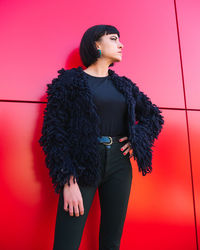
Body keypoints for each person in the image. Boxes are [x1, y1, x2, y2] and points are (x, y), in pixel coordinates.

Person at [39, 24, 165, 250]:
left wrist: (136, 138)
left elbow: (153, 115)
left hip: (119, 165)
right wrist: (67, 180)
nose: (121, 44)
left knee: (111, 242)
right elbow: (53, 133)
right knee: (66, 243)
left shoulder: (124, 86)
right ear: (96, 44)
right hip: (83, 164)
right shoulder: (68, 82)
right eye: (114, 39)